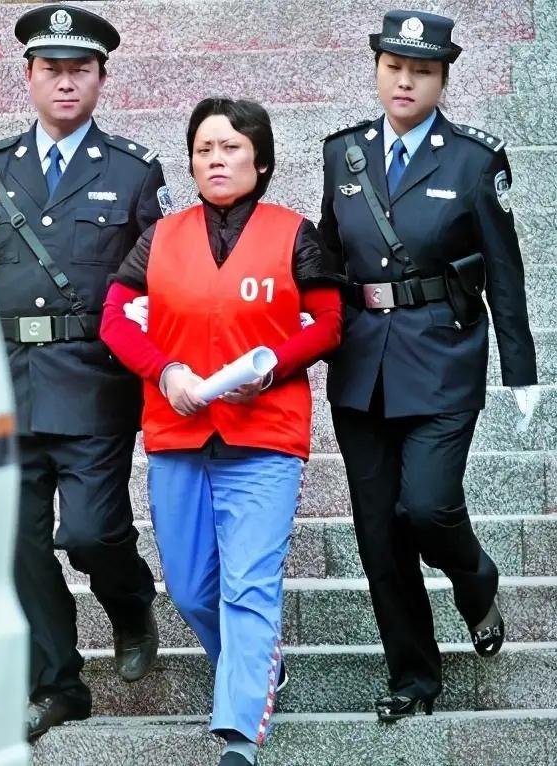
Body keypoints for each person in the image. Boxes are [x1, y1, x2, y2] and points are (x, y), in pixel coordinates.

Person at [100, 97, 342, 766]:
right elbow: (115, 319)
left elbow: (328, 321)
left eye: (231, 147)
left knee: (248, 583)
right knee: (188, 587)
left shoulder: (293, 234)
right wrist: (165, 370)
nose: (216, 159)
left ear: (260, 161)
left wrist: (270, 369)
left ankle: (238, 735)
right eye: (204, 148)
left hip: (265, 436)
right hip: (178, 434)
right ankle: (259, 663)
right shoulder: (160, 238)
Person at [318, 9, 538, 720]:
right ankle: (413, 677)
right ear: (377, 70)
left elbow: (505, 270)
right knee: (379, 534)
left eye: (422, 71)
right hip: (361, 365)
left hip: (443, 357)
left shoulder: (474, 159)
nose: (405, 82)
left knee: (429, 507)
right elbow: (327, 255)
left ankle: (475, 578)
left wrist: (521, 370)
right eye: (394, 67)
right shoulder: (343, 154)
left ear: (443, 79)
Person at [0, 3, 169, 740]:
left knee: (89, 531)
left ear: (101, 78)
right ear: (28, 76)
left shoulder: (133, 171)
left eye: (81, 70)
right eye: (52, 69)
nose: (66, 82)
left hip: (91, 383)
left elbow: (160, 280)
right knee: (17, 543)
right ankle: (57, 684)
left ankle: (131, 604)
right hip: (5, 388)